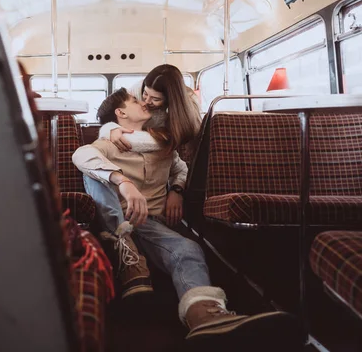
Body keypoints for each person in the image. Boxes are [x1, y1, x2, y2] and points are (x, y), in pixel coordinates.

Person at [72, 88, 300, 346]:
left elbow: (181, 168)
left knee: (187, 249)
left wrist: (177, 190)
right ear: (120, 113)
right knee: (93, 171)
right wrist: (123, 181)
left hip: (153, 222)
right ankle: (125, 251)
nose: (144, 102)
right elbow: (81, 155)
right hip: (123, 218)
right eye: (135, 100)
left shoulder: (162, 144)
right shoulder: (108, 143)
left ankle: (205, 316)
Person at [102, 65, 201, 159]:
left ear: (169, 100)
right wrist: (111, 128)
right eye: (145, 94)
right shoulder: (137, 89)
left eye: (156, 99)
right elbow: (114, 111)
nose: (146, 102)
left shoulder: (188, 104)